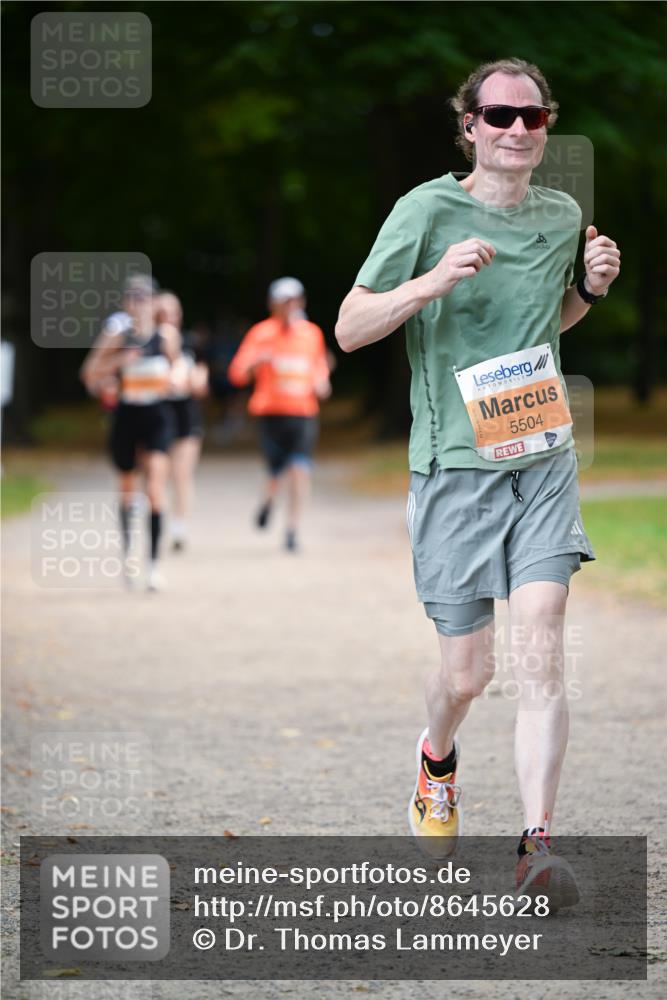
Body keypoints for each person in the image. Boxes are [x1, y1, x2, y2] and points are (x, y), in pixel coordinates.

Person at [335, 58, 620, 906]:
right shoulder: (425, 210)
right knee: (467, 675)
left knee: (541, 634)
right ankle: (435, 755)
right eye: (499, 116)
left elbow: (548, 317)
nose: (516, 131)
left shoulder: (561, 214)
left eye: (532, 118)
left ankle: (535, 844)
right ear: (469, 126)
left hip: (537, 451)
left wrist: (591, 291)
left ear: (545, 127)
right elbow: (350, 329)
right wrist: (431, 279)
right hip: (454, 465)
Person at [81, 274, 181, 591]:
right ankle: (128, 556)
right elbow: (89, 371)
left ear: (154, 301)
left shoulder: (165, 335)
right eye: (132, 298)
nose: (139, 303)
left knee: (154, 488)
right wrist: (119, 361)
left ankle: (153, 565)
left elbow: (178, 368)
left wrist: (177, 377)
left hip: (158, 417)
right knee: (127, 489)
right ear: (126, 303)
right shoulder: (118, 335)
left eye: (144, 297)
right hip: (127, 416)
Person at [228, 277, 331, 552]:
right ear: (273, 304)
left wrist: (322, 380)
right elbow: (236, 373)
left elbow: (318, 364)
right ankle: (268, 501)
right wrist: (254, 364)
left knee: (299, 469)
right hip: (270, 412)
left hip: (303, 411)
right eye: (284, 301)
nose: (290, 306)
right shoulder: (260, 334)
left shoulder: (311, 333)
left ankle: (292, 530)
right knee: (276, 471)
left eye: (295, 301)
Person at [154, 291, 209, 552]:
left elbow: (200, 383)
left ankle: (178, 528)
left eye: (171, 312)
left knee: (181, 474)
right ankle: (155, 520)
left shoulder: (190, 344)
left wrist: (191, 381)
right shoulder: (145, 344)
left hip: (186, 415)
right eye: (161, 312)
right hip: (157, 414)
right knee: (156, 473)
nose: (167, 317)